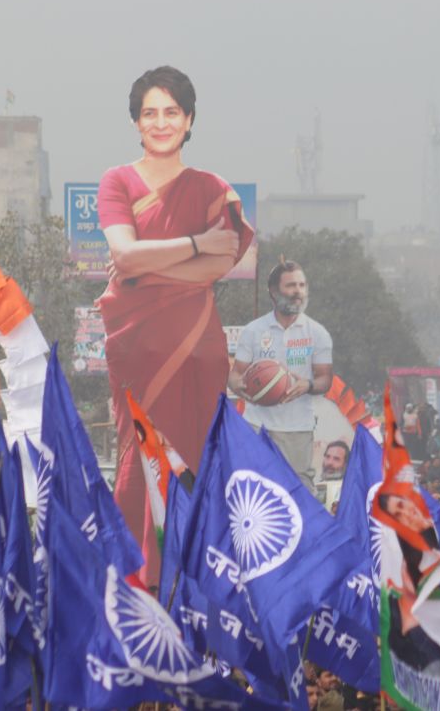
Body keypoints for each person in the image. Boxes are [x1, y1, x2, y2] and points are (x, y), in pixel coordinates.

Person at [97, 65, 253, 567]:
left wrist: (152, 266)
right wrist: (193, 246)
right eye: (149, 114)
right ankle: (136, 579)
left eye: (171, 112)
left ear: (189, 120)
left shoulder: (212, 188)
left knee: (197, 458)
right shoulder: (116, 181)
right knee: (137, 457)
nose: (160, 123)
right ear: (135, 123)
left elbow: (222, 260)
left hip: (198, 348)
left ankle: (197, 577)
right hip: (136, 345)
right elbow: (124, 256)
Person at [230, 261, 332, 492]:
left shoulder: (317, 333)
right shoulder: (254, 331)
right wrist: (242, 388)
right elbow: (235, 375)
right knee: (253, 491)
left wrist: (307, 385)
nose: (298, 291)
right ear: (274, 292)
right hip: (257, 425)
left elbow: (325, 379)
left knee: (300, 492)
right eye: (291, 286)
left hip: (297, 428)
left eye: (302, 285)